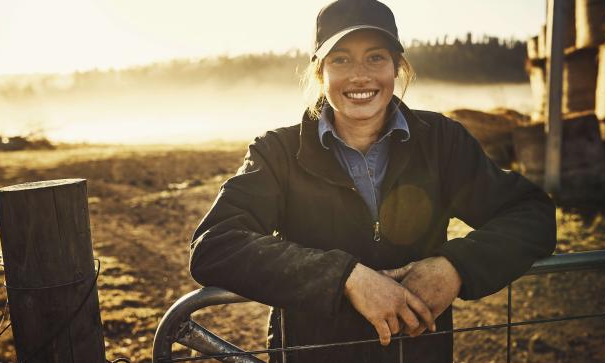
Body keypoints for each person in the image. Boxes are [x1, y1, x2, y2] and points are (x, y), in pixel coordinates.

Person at [189, 0, 557, 361]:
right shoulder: (278, 153)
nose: (359, 76)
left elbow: (530, 213)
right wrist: (344, 278)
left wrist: (455, 266)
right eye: (341, 59)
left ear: (398, 66)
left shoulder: (441, 141)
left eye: (376, 57)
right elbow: (216, 246)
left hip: (416, 354)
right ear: (320, 71)